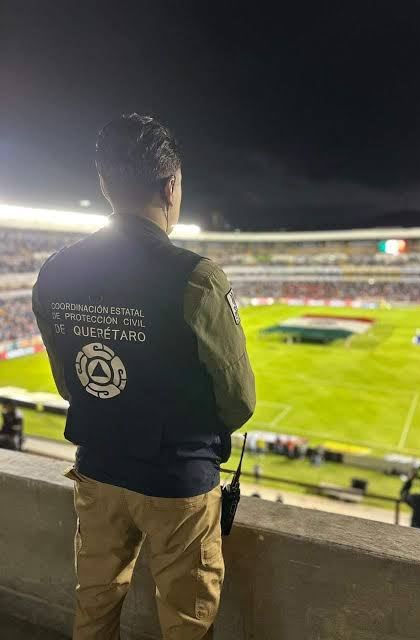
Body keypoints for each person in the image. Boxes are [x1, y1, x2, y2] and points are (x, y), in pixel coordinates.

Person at [32, 114, 256, 640]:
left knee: (93, 608)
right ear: (171, 187)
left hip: (98, 468)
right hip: (178, 479)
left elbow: (70, 384)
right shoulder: (197, 277)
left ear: (106, 187)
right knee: (187, 621)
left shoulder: (56, 271)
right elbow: (239, 400)